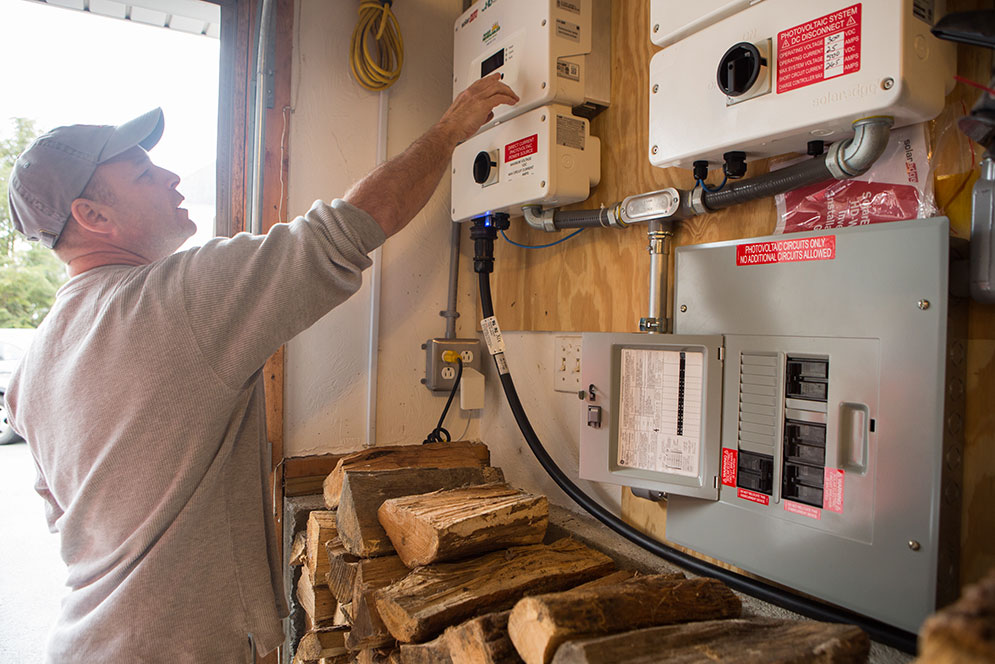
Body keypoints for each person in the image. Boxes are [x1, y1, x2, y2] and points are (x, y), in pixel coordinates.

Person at [4, 73, 518, 663]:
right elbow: (348, 227)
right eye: (144, 174)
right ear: (91, 214)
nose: (171, 178)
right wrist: (452, 128)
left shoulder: (33, 364)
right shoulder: (177, 298)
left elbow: (68, 518)